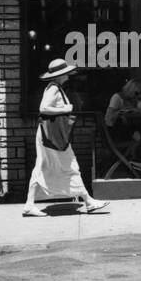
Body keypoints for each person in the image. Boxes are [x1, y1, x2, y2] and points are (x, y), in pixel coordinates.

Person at [23, 57, 108, 216]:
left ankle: (29, 204)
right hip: (53, 136)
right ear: (60, 75)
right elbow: (43, 108)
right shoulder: (54, 88)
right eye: (66, 73)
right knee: (69, 165)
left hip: (49, 135)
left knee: (42, 165)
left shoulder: (54, 87)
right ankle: (88, 201)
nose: (68, 75)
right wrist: (65, 109)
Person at [104, 77, 141, 158]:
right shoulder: (117, 97)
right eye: (136, 93)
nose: (137, 95)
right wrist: (121, 112)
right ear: (131, 89)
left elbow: (138, 112)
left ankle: (129, 158)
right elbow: (109, 117)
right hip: (113, 129)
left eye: (139, 93)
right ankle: (129, 159)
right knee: (138, 136)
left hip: (124, 127)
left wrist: (137, 106)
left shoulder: (130, 99)